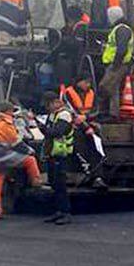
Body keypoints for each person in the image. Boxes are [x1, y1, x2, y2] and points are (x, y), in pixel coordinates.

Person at [0, 100, 42, 219]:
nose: (13, 113)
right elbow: (16, 143)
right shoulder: (6, 123)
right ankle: (36, 181)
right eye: (12, 111)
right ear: (8, 111)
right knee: (30, 160)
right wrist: (29, 150)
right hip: (4, 155)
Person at [41, 92, 75, 225]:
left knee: (60, 185)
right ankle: (58, 211)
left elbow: (56, 132)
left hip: (61, 154)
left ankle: (66, 212)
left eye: (48, 104)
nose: (47, 107)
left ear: (56, 102)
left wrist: (42, 127)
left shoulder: (64, 115)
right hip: (52, 153)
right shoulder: (52, 115)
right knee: (54, 183)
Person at [98, 5, 134, 116]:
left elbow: (121, 49)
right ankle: (112, 113)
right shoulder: (121, 29)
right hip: (117, 64)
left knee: (105, 87)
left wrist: (115, 65)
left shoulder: (122, 29)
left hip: (117, 65)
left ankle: (108, 113)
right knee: (113, 89)